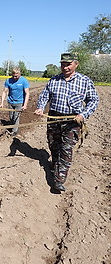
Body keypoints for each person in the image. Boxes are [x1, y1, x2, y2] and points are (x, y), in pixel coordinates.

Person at [34, 52, 99, 192]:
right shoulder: (54, 80)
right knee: (54, 145)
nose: (65, 67)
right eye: (63, 64)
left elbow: (93, 100)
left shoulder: (84, 81)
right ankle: (56, 163)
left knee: (66, 149)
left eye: (68, 64)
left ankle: (59, 179)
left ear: (76, 64)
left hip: (73, 120)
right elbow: (45, 95)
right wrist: (40, 107)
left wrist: (83, 114)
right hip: (54, 118)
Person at [0, 67, 30, 136]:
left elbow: (27, 93)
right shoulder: (8, 81)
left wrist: (25, 105)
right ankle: (12, 126)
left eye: (16, 76)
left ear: (20, 74)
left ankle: (14, 131)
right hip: (10, 101)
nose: (14, 77)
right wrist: (2, 103)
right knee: (11, 116)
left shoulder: (24, 81)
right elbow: (4, 92)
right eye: (13, 76)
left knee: (16, 116)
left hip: (19, 102)